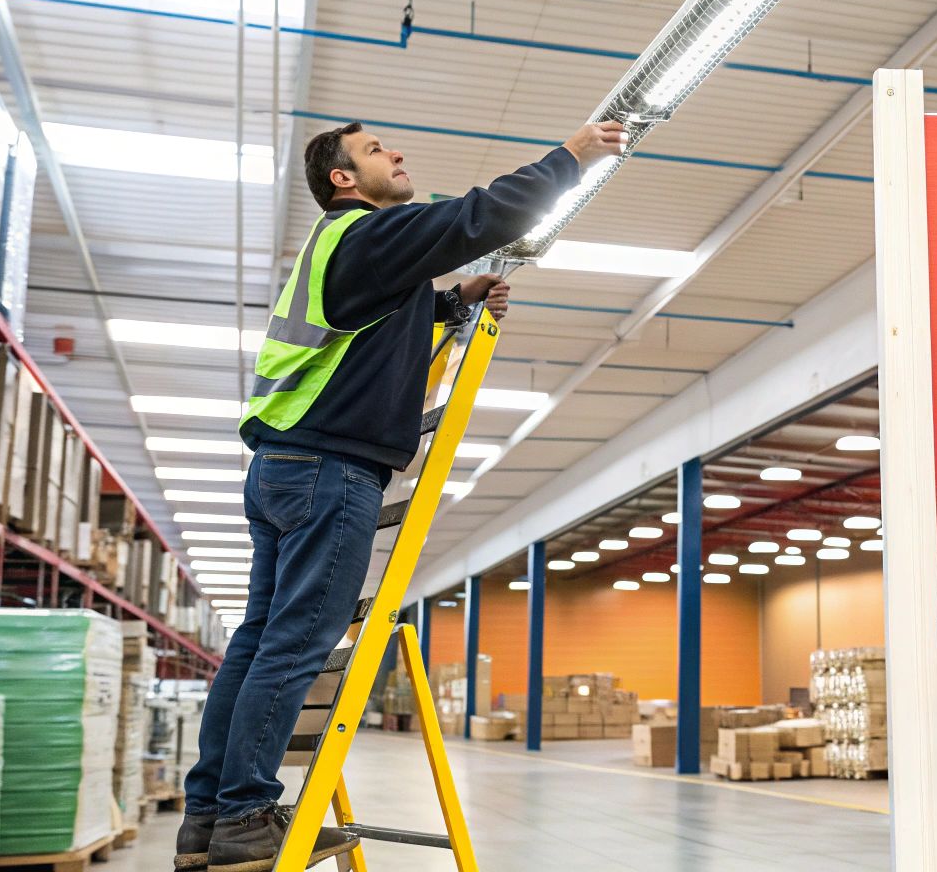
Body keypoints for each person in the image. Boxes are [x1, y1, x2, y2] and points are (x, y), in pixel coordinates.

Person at [177, 119, 626, 872]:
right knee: (294, 645)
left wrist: (450, 306)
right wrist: (570, 158)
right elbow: (478, 216)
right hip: (331, 469)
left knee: (257, 644)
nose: (398, 154)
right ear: (345, 180)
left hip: (284, 464)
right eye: (378, 150)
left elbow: (370, 330)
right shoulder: (363, 234)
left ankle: (208, 819)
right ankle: (250, 813)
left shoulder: (346, 251)